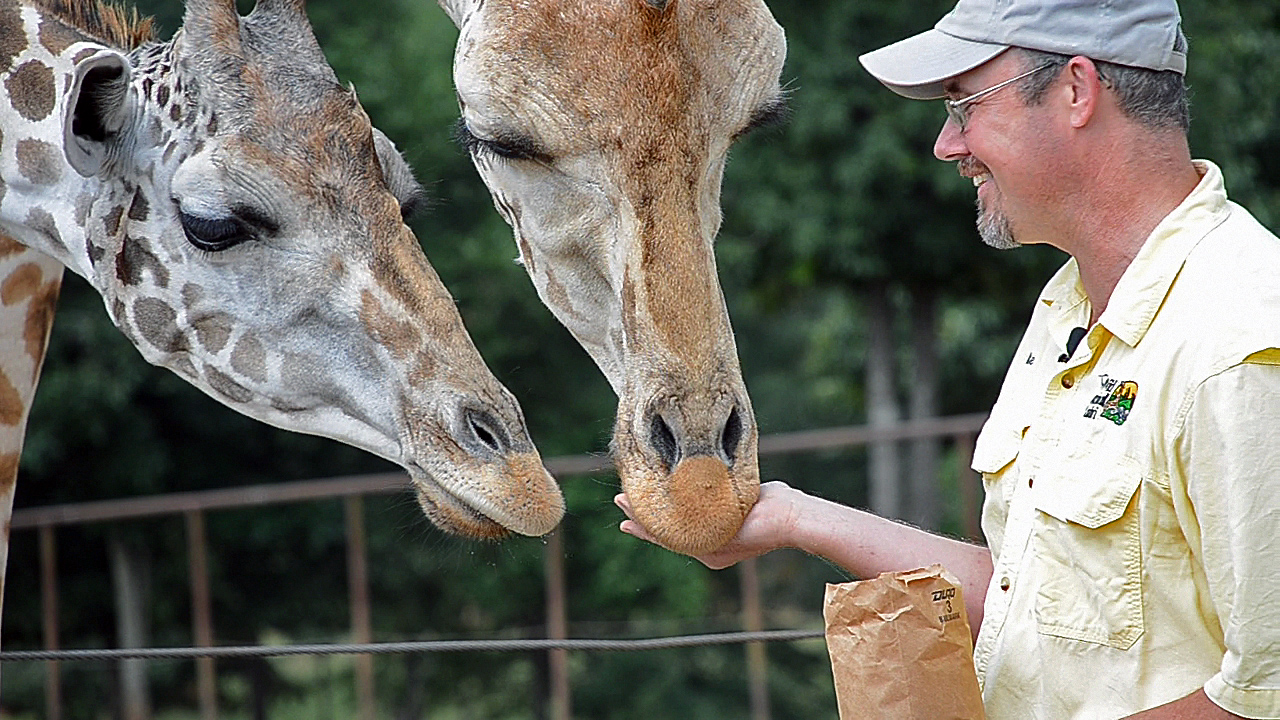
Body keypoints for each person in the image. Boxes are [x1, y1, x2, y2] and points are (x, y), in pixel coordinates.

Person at [614, 0, 1280, 717]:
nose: (945, 144)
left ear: (1077, 91)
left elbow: (1263, 696)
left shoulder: (1239, 343)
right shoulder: (1071, 305)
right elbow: (1029, 604)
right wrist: (794, 518)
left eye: (964, 105)